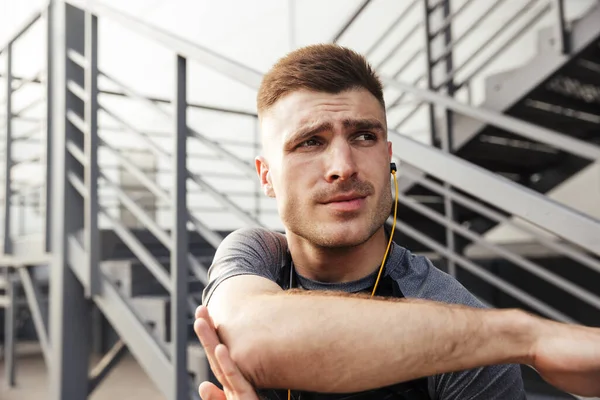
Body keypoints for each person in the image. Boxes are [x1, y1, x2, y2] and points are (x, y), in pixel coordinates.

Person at [194, 44, 600, 400]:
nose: (343, 167)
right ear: (266, 176)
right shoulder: (256, 253)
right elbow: (252, 340)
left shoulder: (456, 320)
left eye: (364, 137)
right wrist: (527, 337)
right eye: (310, 142)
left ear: (389, 156)